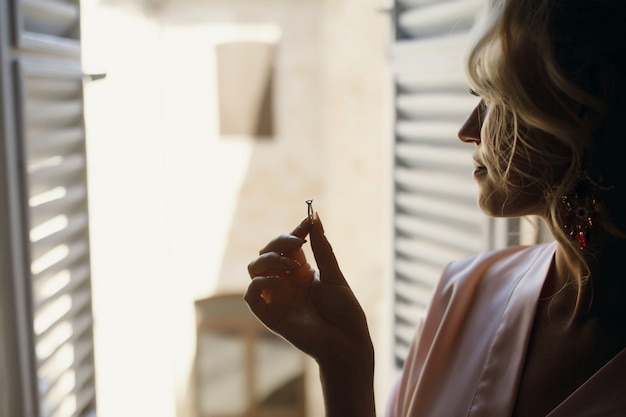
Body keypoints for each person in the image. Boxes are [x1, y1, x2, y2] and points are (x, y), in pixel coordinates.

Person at [245, 0, 626, 415]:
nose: (467, 131)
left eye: (494, 96)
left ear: (585, 99)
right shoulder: (464, 293)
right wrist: (343, 364)